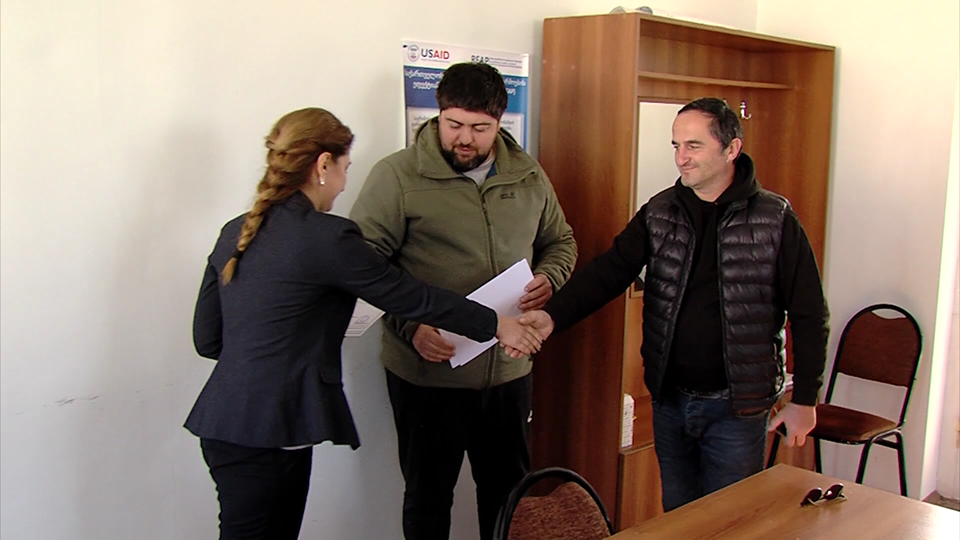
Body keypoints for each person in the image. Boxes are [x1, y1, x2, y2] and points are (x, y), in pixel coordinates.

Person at [183, 107, 543, 540]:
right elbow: (412, 296)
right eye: (345, 168)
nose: (343, 182)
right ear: (323, 165)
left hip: (225, 422)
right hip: (272, 424)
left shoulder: (235, 231)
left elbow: (208, 338)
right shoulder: (327, 237)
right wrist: (497, 324)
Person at [519, 97, 829, 512]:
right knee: (678, 520)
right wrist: (551, 317)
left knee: (730, 523)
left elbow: (810, 313)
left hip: (737, 408)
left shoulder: (775, 219)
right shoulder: (660, 211)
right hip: (670, 401)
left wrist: (805, 399)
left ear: (732, 149)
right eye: (676, 145)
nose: (681, 158)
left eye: (694, 146)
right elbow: (610, 272)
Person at [349, 63, 577, 540]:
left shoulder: (528, 174)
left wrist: (548, 277)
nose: (465, 139)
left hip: (509, 373)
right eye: (454, 124)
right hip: (428, 375)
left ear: (500, 122)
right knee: (428, 499)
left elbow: (561, 241)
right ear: (438, 114)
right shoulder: (397, 175)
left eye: (480, 128)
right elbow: (364, 266)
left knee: (509, 497)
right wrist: (410, 325)